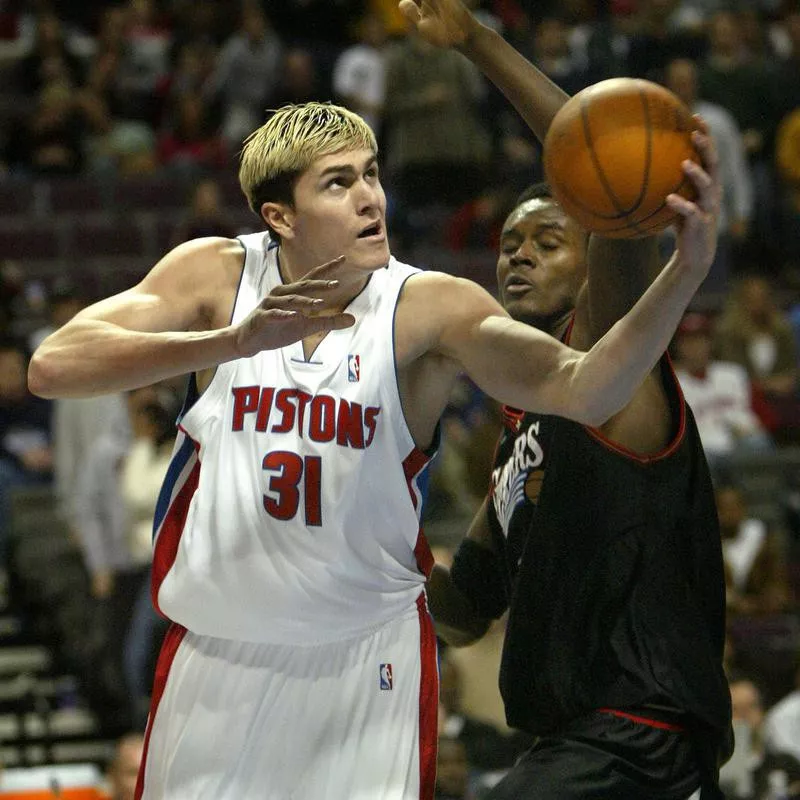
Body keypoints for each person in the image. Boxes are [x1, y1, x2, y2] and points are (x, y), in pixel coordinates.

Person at [30, 92, 718, 798]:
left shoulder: (428, 307)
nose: (369, 198)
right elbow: (53, 365)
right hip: (218, 662)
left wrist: (682, 274)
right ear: (280, 216)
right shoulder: (217, 275)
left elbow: (588, 389)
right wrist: (232, 342)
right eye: (339, 182)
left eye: (371, 174)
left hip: (367, 667)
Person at [405, 1, 733, 798]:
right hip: (574, 745)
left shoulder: (612, 358)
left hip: (639, 732)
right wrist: (381, 547)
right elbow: (465, 612)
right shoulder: (522, 431)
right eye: (509, 246)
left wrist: (477, 43)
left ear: (593, 249)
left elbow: (612, 168)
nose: (517, 258)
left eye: (547, 242)